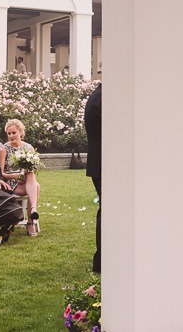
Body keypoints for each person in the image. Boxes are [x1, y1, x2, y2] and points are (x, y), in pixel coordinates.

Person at [0, 119, 41, 237]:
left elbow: (34, 168)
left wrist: (24, 174)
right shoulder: (4, 149)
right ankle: (31, 220)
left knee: (30, 173)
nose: (11, 136)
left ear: (20, 132)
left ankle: (32, 212)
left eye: (14, 133)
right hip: (12, 182)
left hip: (26, 180)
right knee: (36, 187)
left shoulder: (29, 148)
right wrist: (14, 176)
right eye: (9, 133)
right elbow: (1, 173)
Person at [84, 82, 101, 273]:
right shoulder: (103, 98)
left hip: (98, 163)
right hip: (104, 163)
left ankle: (102, 258)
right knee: (108, 211)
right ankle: (101, 259)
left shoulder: (97, 95)